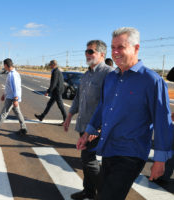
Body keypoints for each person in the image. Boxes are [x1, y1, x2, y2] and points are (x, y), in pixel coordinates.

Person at [77, 27, 173, 200]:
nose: (115, 52)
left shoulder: (152, 80)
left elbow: (162, 122)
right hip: (108, 148)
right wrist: (89, 131)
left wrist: (160, 160)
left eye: (121, 47)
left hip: (131, 154)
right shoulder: (111, 78)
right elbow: (103, 107)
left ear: (136, 48)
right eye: (113, 47)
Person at [64, 40, 113, 200]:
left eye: (91, 51)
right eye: (86, 51)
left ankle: (105, 194)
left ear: (102, 54)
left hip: (96, 128)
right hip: (83, 125)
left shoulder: (109, 74)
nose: (87, 54)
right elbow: (78, 98)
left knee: (89, 160)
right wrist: (69, 116)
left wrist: (98, 128)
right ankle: (89, 191)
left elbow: (111, 103)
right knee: (86, 161)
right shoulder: (86, 75)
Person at [0, 58, 27, 135]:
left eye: (3, 65)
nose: (3, 67)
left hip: (11, 97)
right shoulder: (14, 73)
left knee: (4, 113)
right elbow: (9, 87)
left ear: (5, 65)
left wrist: (15, 99)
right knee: (18, 113)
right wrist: (4, 94)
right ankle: (24, 128)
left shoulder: (12, 75)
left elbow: (15, 87)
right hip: (11, 96)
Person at [35, 60, 67, 125]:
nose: (49, 66)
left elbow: (54, 83)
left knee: (61, 106)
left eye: (50, 64)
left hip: (57, 91)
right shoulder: (57, 71)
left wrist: (48, 91)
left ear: (53, 64)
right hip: (57, 91)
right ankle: (42, 116)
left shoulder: (55, 72)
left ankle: (66, 120)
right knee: (49, 104)